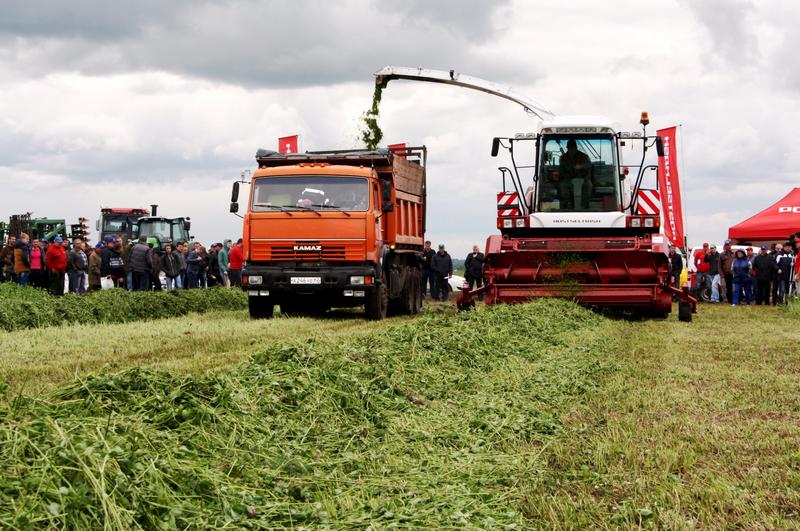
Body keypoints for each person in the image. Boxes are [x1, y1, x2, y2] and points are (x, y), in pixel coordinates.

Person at [558, 138, 592, 210]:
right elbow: (561, 170)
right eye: (570, 148)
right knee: (562, 185)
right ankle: (566, 205)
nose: (571, 150)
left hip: (583, 180)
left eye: (573, 148)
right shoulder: (563, 158)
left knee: (589, 185)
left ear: (576, 148)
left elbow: (589, 166)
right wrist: (567, 177)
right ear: (567, 148)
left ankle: (585, 205)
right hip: (568, 180)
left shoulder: (584, 156)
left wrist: (581, 166)